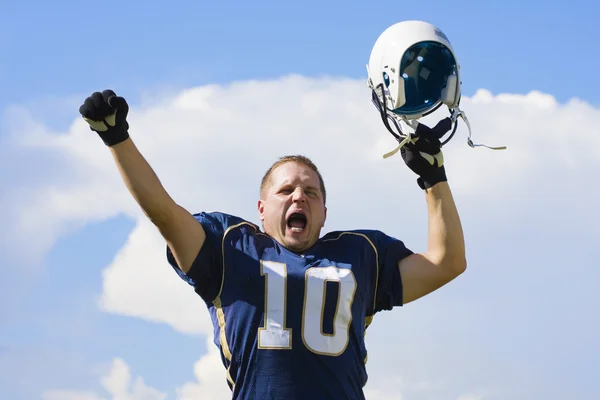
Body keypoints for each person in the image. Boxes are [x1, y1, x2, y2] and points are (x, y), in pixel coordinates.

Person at [79, 89, 466, 400]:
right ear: (262, 210)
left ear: (325, 212)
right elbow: (164, 213)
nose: (299, 197)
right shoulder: (232, 247)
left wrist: (434, 178)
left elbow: (447, 263)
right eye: (286, 190)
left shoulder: (360, 254)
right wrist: (117, 138)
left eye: (311, 192)